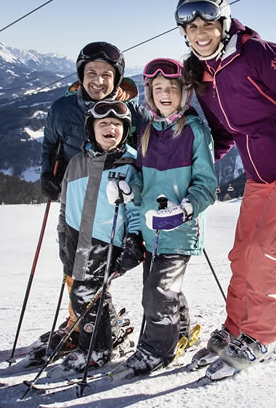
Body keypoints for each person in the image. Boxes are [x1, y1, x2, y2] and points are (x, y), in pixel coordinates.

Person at [176, 0, 276, 379]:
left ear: (224, 24)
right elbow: (222, 133)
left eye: (207, 25)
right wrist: (191, 170)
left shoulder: (261, 54)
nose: (200, 34)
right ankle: (238, 328)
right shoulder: (204, 74)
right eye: (191, 27)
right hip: (258, 174)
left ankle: (266, 336)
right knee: (242, 252)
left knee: (265, 251)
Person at [37, 42, 147, 354]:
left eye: (106, 75)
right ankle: (84, 320)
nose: (98, 80)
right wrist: (47, 173)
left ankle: (87, 326)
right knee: (72, 264)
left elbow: (152, 145)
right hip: (74, 198)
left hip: (111, 204)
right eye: (91, 73)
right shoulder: (62, 109)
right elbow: (50, 143)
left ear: (117, 79)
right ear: (80, 75)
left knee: (94, 270)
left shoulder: (132, 113)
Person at [115, 58, 219, 378]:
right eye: (157, 88)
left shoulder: (195, 132)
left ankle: (156, 350)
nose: (164, 94)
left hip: (179, 229)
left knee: (158, 292)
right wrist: (129, 188)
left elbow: (207, 185)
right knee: (161, 287)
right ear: (149, 94)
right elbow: (143, 180)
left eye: (171, 88)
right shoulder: (147, 131)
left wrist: (186, 209)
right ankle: (182, 329)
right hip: (151, 230)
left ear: (183, 93)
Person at [55, 100, 144, 372]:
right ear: (91, 130)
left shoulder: (129, 163)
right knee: (83, 294)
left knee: (87, 294)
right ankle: (105, 335)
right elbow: (64, 204)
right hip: (75, 238)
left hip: (107, 241)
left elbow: (136, 205)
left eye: (117, 124)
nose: (110, 128)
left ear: (125, 130)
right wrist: (62, 234)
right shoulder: (76, 163)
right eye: (103, 124)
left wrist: (134, 238)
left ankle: (97, 349)